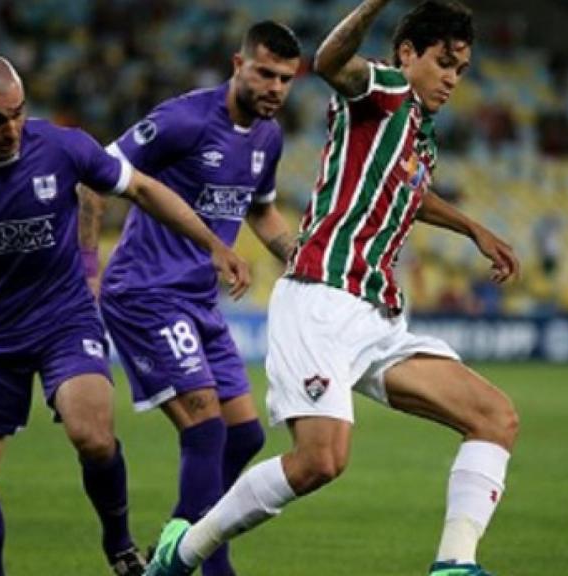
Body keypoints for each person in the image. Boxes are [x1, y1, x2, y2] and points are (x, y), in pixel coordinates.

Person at [146, 2, 521, 576]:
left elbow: (406, 194)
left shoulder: (420, 132)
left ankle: (454, 564)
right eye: (444, 62)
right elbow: (328, 61)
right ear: (407, 54)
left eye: (461, 69)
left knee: (495, 417)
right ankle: (185, 550)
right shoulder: (384, 89)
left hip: (375, 316)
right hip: (321, 298)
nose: (452, 77)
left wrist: (473, 227)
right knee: (320, 461)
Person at [0, 54, 250, 576]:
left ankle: (119, 545)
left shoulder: (63, 146)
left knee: (92, 434)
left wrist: (211, 243)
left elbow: (140, 187)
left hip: (65, 320)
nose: (11, 129)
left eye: (18, 113)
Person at [82, 21, 301, 576]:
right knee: (204, 428)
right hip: (144, 293)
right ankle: (194, 564)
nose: (276, 88)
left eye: (287, 79)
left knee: (245, 434)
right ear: (238, 64)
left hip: (200, 299)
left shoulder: (268, 138)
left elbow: (261, 210)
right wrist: (87, 273)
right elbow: (92, 178)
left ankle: (183, 540)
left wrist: (301, 257)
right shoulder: (183, 120)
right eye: (266, 73)